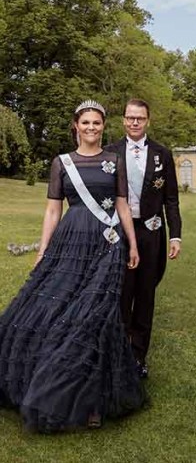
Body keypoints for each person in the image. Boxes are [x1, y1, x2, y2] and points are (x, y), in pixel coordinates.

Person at [0, 100, 146, 432]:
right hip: (69, 243)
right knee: (56, 309)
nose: (92, 128)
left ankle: (92, 402)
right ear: (75, 126)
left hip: (107, 244)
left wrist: (132, 243)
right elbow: (53, 210)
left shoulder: (114, 161)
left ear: (103, 126)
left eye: (97, 123)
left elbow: (122, 204)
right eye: (86, 123)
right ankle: (44, 382)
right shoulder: (61, 163)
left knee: (96, 314)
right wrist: (43, 249)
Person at [105, 99, 182, 379]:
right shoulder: (110, 152)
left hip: (151, 232)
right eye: (130, 118)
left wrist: (175, 235)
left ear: (148, 120)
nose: (134, 122)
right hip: (120, 232)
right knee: (122, 293)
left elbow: (171, 199)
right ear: (124, 120)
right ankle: (120, 352)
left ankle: (139, 357)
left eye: (140, 118)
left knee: (145, 295)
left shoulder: (162, 153)